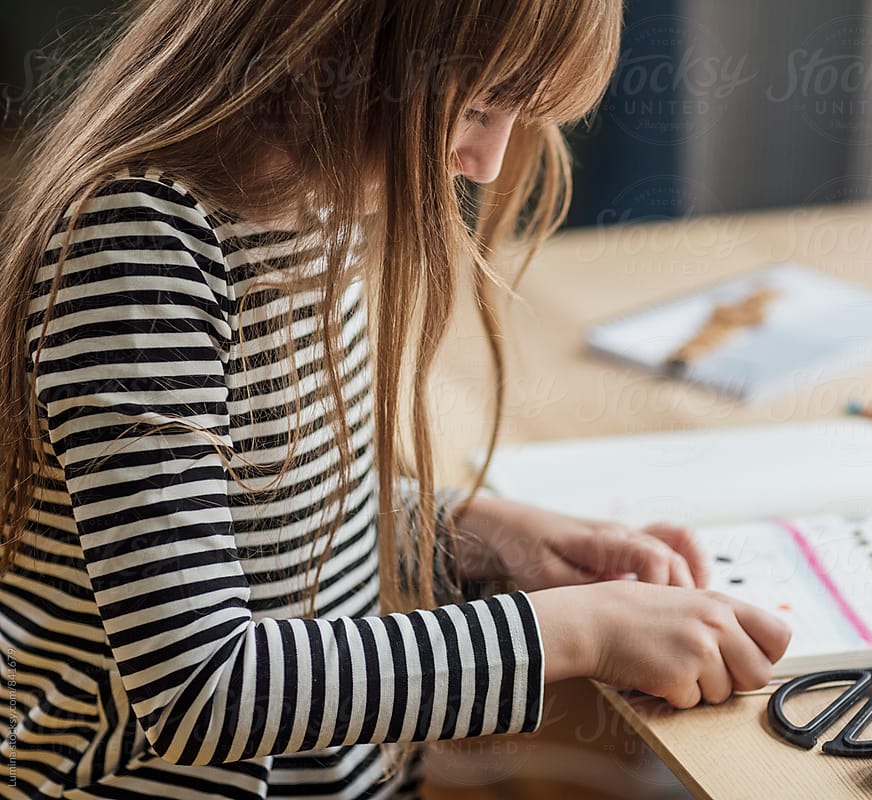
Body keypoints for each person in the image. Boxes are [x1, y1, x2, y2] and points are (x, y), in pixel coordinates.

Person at [0, 1, 791, 798]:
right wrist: (579, 632)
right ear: (328, 40)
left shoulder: (319, 201)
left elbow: (281, 529)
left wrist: (485, 537)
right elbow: (202, 687)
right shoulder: (142, 244)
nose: (485, 162)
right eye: (479, 105)